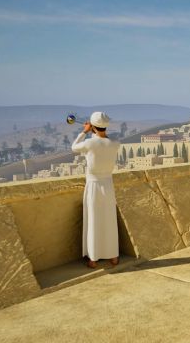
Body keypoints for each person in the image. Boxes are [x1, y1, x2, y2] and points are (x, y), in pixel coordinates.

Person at [71, 112, 121, 268]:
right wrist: (92, 129)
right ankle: (113, 256)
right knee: (109, 220)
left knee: (94, 219)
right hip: (108, 184)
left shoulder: (90, 143)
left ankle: (93, 258)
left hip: (93, 185)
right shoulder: (115, 143)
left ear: (93, 126)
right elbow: (102, 142)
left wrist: (84, 131)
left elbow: (74, 148)